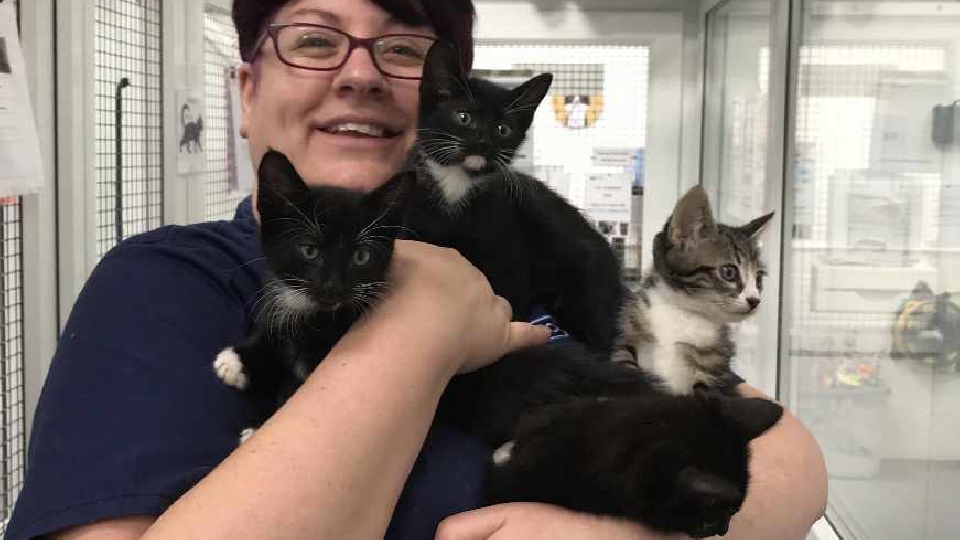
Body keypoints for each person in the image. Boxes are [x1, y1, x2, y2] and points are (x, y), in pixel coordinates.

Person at [6, 0, 828, 538]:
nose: (359, 73)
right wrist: (421, 325)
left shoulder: (517, 255)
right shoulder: (172, 287)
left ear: (440, 94)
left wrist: (618, 531)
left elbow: (789, 460)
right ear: (247, 92)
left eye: (401, 47)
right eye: (314, 39)